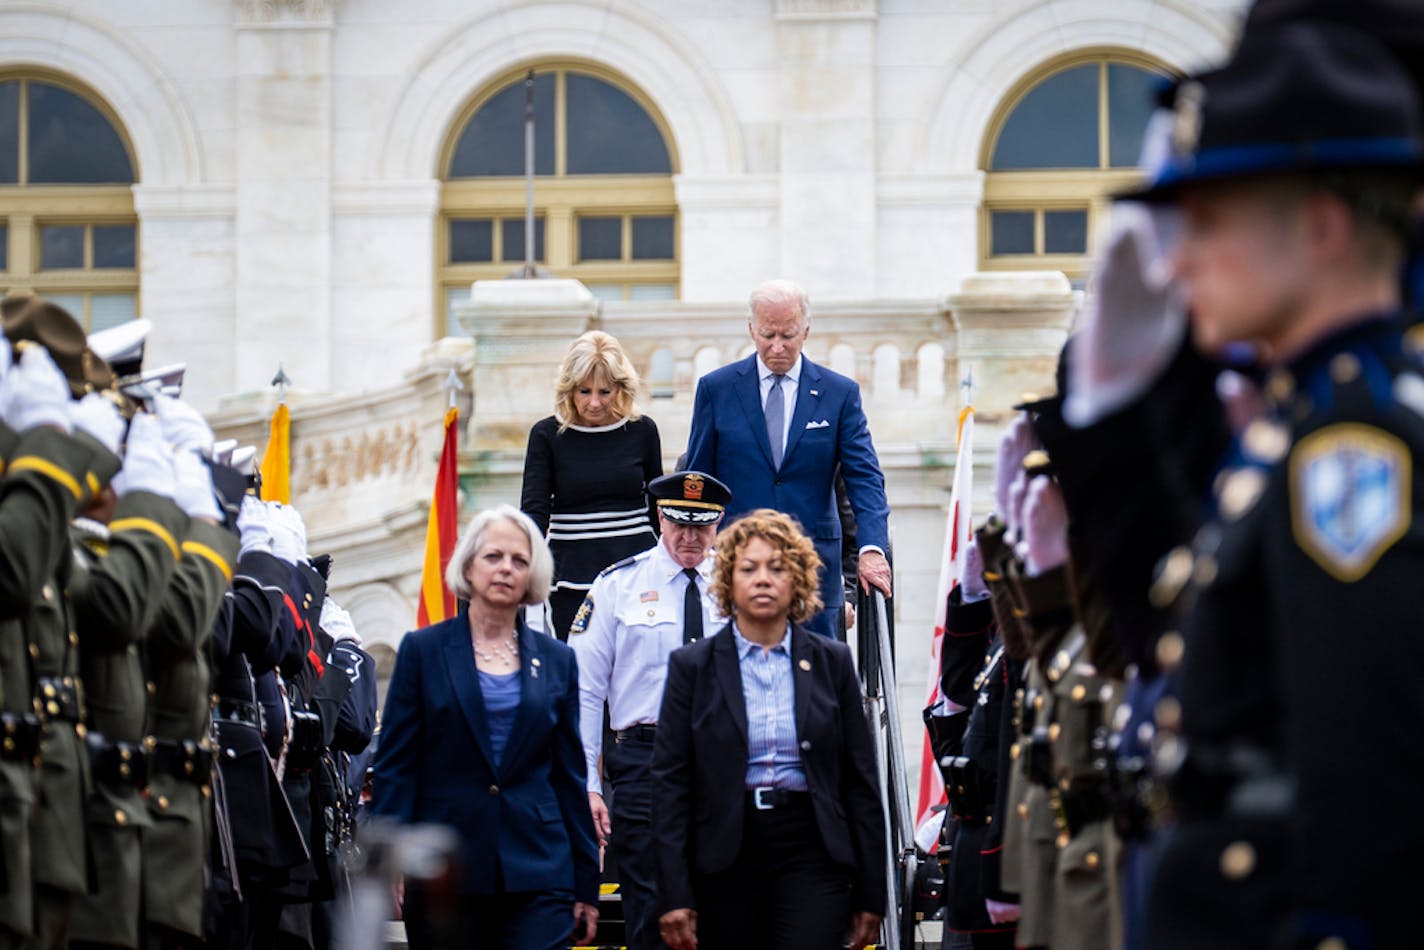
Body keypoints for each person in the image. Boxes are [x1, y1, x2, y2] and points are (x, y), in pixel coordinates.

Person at [1108, 24, 1424, 949]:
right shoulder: (1293, 431)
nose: (1175, 261)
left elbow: (1366, 789)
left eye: (1208, 221)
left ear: (1322, 227)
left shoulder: (1352, 451)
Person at [651, 509, 885, 950]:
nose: (763, 579)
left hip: (812, 849)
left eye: (777, 568)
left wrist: (872, 891)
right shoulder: (692, 668)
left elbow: (861, 783)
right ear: (727, 580)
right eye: (749, 568)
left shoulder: (832, 661)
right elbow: (670, 785)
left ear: (796, 580)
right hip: (725, 852)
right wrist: (674, 892)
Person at [371, 505, 599, 950]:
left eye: (519, 560)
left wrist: (585, 882)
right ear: (469, 567)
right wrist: (390, 857)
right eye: (494, 556)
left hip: (538, 869)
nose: (506, 569)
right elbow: (398, 766)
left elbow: (569, 775)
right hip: (443, 870)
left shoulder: (558, 660)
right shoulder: (423, 651)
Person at [569, 471, 732, 950]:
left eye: (701, 526)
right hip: (647, 762)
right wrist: (588, 785)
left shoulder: (739, 585)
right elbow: (583, 691)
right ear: (660, 517)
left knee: (725, 911)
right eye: (679, 523)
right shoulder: (618, 585)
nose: (689, 537)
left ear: (719, 523)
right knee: (651, 913)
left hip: (726, 764)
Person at [684, 279, 891, 638]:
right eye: (767, 334)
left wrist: (872, 548)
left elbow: (864, 477)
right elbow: (699, 478)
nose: (777, 346)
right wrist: (692, 545)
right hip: (739, 566)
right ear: (751, 329)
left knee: (816, 685)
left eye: (788, 335)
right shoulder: (716, 389)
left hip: (814, 568)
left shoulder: (839, 394)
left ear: (806, 331)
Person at [521, 330, 663, 640]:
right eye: (584, 391)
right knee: (577, 674)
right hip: (571, 575)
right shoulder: (546, 436)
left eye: (605, 391)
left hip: (636, 569)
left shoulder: (643, 431)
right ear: (568, 389)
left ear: (620, 388)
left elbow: (657, 508)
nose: (595, 403)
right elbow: (534, 511)